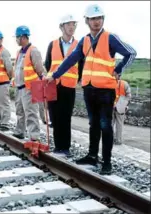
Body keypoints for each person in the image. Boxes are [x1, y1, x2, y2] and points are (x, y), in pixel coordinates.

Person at [45, 4, 136, 174]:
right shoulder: (85, 40)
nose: (97, 22)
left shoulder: (110, 38)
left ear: (103, 20)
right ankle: (92, 156)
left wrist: (119, 69)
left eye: (99, 18)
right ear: (87, 21)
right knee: (93, 124)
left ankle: (107, 162)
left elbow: (131, 53)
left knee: (105, 125)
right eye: (93, 19)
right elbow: (71, 60)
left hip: (106, 90)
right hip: (89, 88)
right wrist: (56, 75)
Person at [44, 14, 84, 157]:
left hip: (69, 86)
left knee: (65, 117)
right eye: (68, 24)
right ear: (62, 27)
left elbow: (82, 65)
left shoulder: (80, 45)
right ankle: (58, 146)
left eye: (73, 24)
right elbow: (48, 64)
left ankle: (65, 148)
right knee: (54, 117)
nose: (71, 27)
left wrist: (78, 79)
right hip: (53, 84)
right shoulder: (52, 44)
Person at [12, 25, 45, 142]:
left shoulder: (33, 51)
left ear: (22, 37)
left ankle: (34, 136)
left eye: (17, 37)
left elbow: (40, 70)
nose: (16, 39)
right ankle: (20, 131)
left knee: (31, 112)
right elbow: (17, 68)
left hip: (29, 88)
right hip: (19, 87)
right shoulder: (19, 52)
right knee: (20, 111)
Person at [113, 79, 131, 145]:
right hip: (121, 106)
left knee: (110, 124)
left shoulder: (109, 82)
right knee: (119, 124)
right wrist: (125, 104)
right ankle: (118, 140)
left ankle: (110, 140)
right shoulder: (125, 84)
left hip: (111, 106)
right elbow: (128, 96)